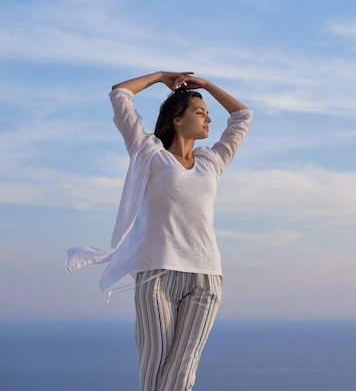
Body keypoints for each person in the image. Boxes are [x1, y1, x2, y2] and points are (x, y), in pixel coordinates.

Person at [65, 71, 253, 391]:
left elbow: (241, 115)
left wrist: (206, 86)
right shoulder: (150, 155)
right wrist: (161, 77)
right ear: (177, 119)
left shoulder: (212, 162)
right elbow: (121, 93)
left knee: (184, 367)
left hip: (206, 276)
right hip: (157, 276)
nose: (208, 120)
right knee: (155, 361)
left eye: (208, 114)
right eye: (200, 112)